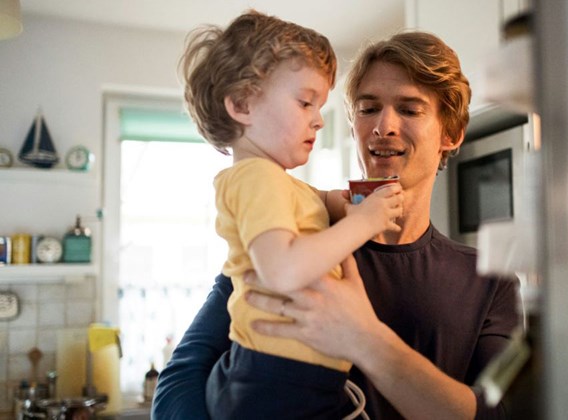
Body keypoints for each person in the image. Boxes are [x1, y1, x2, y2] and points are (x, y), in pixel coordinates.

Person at [152, 30, 521, 419]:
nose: (384, 126)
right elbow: (180, 379)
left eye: (409, 109)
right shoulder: (297, 236)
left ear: (451, 134)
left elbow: (495, 414)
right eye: (367, 108)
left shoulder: (490, 281)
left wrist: (365, 339)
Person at [177, 10, 404, 419]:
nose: (318, 119)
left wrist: (347, 203)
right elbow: (281, 270)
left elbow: (320, 202)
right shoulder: (257, 179)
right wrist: (364, 221)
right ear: (242, 104)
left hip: (288, 379)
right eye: (305, 101)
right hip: (273, 380)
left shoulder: (278, 183)